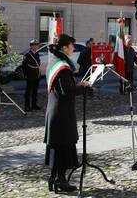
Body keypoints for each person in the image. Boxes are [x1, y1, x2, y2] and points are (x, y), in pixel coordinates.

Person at [44, 34, 91, 193]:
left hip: (56, 110)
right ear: (64, 47)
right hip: (61, 113)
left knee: (58, 148)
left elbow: (62, 88)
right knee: (62, 148)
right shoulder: (62, 66)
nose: (73, 48)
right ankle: (60, 181)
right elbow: (66, 92)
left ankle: (55, 178)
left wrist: (76, 85)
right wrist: (82, 87)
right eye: (72, 46)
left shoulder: (54, 61)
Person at [22, 39, 41, 112]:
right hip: (30, 75)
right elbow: (24, 66)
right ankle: (27, 106)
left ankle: (34, 105)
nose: (36, 46)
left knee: (35, 91)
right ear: (31, 46)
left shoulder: (37, 53)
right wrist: (25, 75)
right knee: (28, 91)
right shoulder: (27, 54)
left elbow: (38, 64)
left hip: (36, 75)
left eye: (37, 44)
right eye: (35, 44)